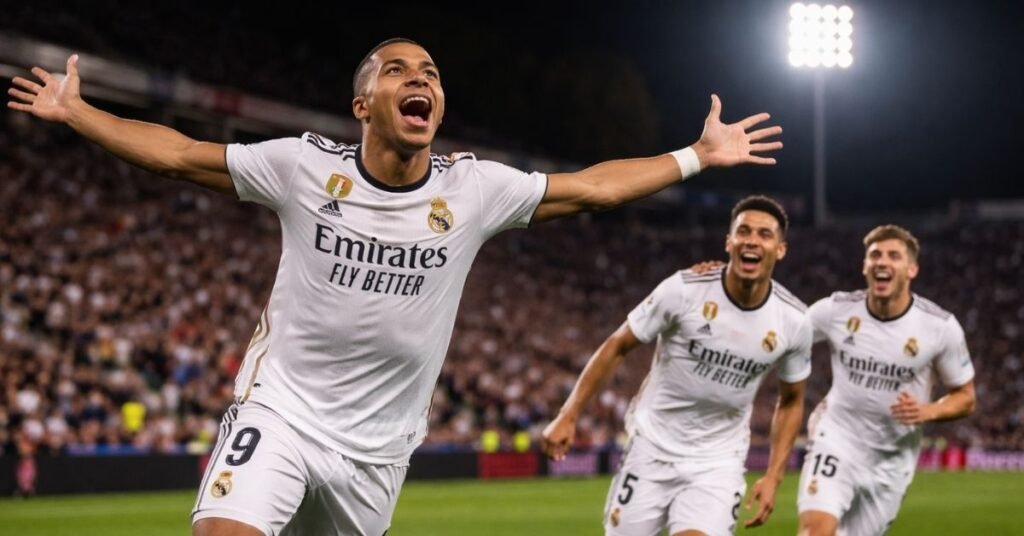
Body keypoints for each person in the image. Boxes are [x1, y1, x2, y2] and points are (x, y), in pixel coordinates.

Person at [8, 38, 782, 536]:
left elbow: (594, 190)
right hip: (282, 410)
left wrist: (694, 155)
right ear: (363, 105)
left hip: (379, 450)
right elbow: (176, 153)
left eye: (433, 73)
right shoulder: (304, 166)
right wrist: (79, 111)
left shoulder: (474, 189)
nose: (423, 80)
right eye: (400, 71)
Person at [542, 195, 812, 536]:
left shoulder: (795, 321)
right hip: (651, 448)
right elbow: (618, 344)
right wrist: (569, 414)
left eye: (764, 234)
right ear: (729, 242)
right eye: (743, 231)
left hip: (718, 462)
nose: (752, 240)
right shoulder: (684, 290)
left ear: (780, 249)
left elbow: (791, 401)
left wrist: (774, 476)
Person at [796, 225, 976, 536]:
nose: (882, 262)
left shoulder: (940, 327)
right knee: (815, 531)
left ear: (911, 269)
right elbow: (781, 332)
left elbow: (966, 396)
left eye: (894, 256)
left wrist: (928, 411)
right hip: (837, 438)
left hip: (891, 461)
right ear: (865, 266)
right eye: (875, 255)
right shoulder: (835, 310)